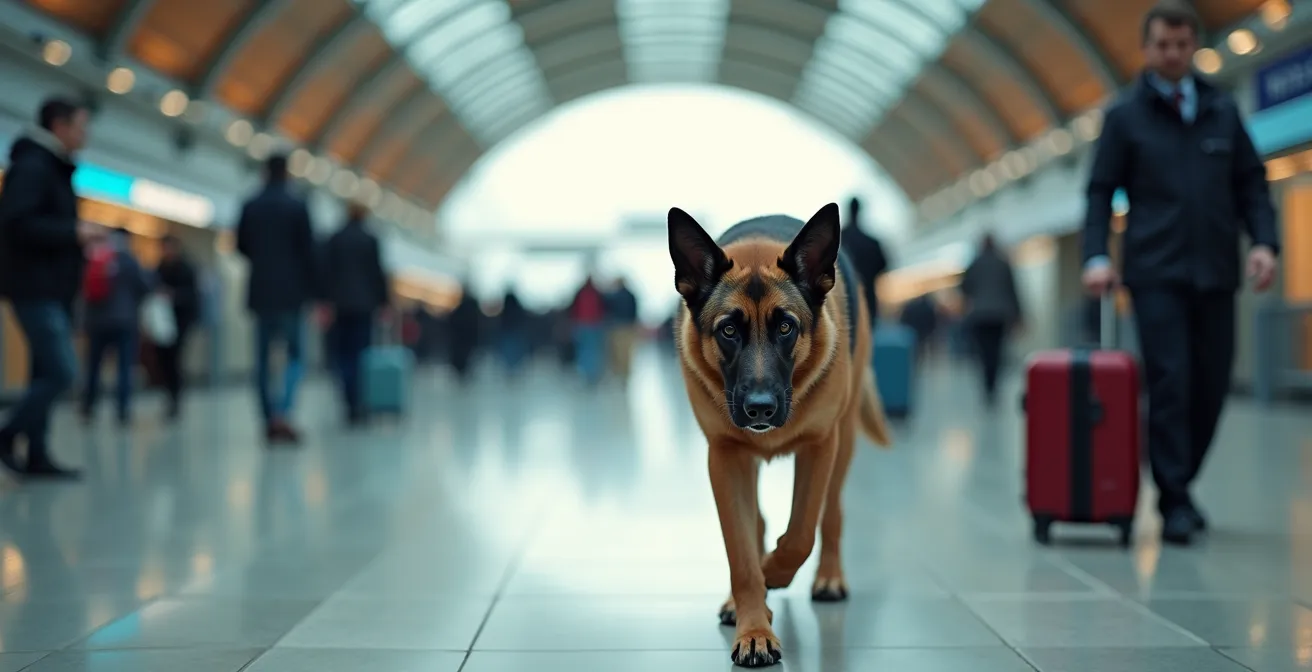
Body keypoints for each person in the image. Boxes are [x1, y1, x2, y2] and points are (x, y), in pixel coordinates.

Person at [1081, 1, 1279, 545]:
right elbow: (1099, 191)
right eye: (1162, 45)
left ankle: (1180, 482)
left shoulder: (1221, 109)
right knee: (1171, 381)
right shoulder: (1125, 117)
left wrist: (1264, 242)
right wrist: (1097, 256)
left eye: (1182, 44)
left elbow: (1252, 185)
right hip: (1155, 273)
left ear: (1194, 46)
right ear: (1146, 49)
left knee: (1211, 384)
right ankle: (1174, 499)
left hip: (1217, 270)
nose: (1172, 54)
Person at [0, 98, 105, 480]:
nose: (85, 134)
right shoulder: (34, 166)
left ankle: (38, 454)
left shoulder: (51, 168)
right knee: (63, 371)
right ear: (59, 125)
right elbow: (17, 223)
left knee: (42, 371)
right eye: (81, 125)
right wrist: (73, 232)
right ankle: (8, 433)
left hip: (51, 287)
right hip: (36, 287)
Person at [235, 154, 318, 444]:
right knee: (295, 356)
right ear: (287, 173)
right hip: (292, 293)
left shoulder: (250, 205)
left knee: (261, 359)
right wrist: (313, 292)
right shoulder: (298, 205)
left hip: (260, 291)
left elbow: (241, 246)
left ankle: (268, 417)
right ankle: (283, 412)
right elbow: (309, 252)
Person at [321, 202, 389, 426]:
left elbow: (326, 272)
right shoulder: (370, 239)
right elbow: (378, 273)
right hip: (364, 306)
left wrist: (325, 301)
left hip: (340, 306)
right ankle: (361, 400)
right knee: (362, 353)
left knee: (342, 355)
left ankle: (348, 400)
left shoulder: (335, 238)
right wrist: (384, 302)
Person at [80, 228, 151, 425]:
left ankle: (88, 407)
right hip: (125, 322)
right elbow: (145, 287)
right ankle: (122, 410)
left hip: (97, 323)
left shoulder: (94, 258)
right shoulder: (130, 261)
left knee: (94, 367)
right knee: (124, 368)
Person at [959, 233, 1023, 407]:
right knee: (996, 352)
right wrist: (1019, 316)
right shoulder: (1003, 263)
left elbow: (964, 287)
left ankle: (987, 386)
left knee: (983, 352)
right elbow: (1013, 290)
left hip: (979, 315)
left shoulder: (975, 263)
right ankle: (993, 386)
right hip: (999, 315)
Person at [153, 235, 200, 420]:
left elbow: (192, 295)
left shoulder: (186, 268)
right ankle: (170, 393)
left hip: (182, 320)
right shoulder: (161, 267)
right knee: (165, 359)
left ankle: (176, 397)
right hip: (163, 320)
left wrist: (175, 296)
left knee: (176, 358)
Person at [840, 197, 889, 323]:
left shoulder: (840, 240)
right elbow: (884, 265)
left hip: (845, 298)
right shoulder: (872, 242)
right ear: (859, 211)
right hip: (868, 297)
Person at [569, 276, 607, 387]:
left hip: (586, 325)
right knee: (590, 350)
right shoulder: (596, 293)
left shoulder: (581, 293)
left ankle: (588, 373)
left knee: (587, 350)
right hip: (591, 325)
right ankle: (590, 373)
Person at [604, 278, 640, 382]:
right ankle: (626, 372)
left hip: (617, 326)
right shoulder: (631, 295)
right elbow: (635, 311)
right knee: (627, 351)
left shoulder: (614, 296)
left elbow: (608, 309)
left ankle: (618, 372)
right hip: (629, 326)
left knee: (617, 351)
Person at [499, 290, 529, 377]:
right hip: (515, 333)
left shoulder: (505, 310)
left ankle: (510, 369)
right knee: (515, 351)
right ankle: (514, 369)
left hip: (507, 333)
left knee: (508, 352)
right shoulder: (518, 309)